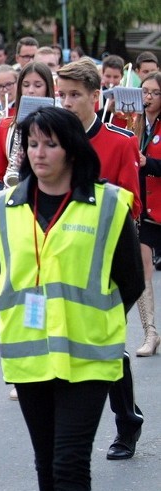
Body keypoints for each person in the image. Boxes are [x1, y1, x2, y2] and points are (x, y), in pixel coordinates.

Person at [0, 106, 143, 491]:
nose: (39, 153)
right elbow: (0, 276)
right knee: (45, 461)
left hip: (89, 355)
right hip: (30, 356)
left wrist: (94, 322)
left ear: (72, 149)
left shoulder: (111, 205)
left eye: (49, 144)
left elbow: (130, 281)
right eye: (32, 144)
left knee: (70, 460)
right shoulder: (3, 207)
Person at [56, 57, 144, 461]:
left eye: (75, 95)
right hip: (62, 256)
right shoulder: (53, 138)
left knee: (109, 345)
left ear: (96, 96)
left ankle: (127, 422)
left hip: (106, 256)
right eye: (62, 95)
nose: (67, 102)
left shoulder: (119, 140)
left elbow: (133, 203)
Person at [0, 62, 56, 334]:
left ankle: (40, 326)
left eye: (38, 85)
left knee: (40, 271)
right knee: (12, 271)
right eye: (26, 85)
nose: (31, 90)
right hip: (14, 204)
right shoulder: (7, 125)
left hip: (47, 206)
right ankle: (22, 324)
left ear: (49, 89)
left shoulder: (61, 124)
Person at [135, 72, 161, 356]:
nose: (148, 98)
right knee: (144, 268)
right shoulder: (136, 123)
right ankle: (150, 332)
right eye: (145, 92)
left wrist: (148, 162)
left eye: (154, 93)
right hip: (144, 206)